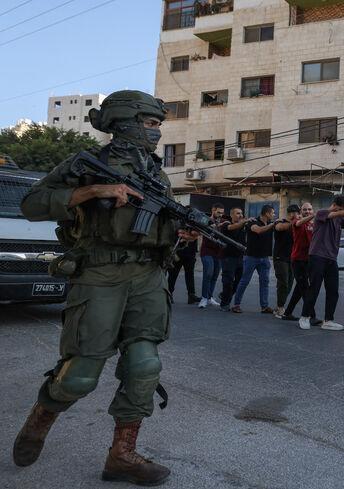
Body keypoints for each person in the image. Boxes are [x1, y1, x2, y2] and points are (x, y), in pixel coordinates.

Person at [12, 90, 197, 485]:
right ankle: (40, 418)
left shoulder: (156, 172)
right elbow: (31, 204)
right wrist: (94, 191)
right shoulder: (88, 164)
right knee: (80, 375)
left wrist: (178, 231)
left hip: (148, 275)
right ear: (126, 122)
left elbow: (154, 225)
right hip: (99, 273)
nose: (157, 132)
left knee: (144, 366)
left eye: (158, 125)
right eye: (151, 124)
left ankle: (122, 456)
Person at [299, 195, 344, 330]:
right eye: (339, 209)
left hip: (332, 259)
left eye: (342, 210)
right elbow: (339, 214)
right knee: (314, 288)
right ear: (333, 205)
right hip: (317, 256)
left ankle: (328, 320)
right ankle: (304, 317)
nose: (340, 212)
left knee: (333, 291)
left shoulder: (339, 218)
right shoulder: (322, 213)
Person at [232, 205, 277, 314]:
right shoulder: (253, 222)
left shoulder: (270, 223)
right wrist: (272, 225)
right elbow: (258, 230)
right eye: (272, 213)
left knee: (265, 282)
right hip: (251, 257)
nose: (274, 215)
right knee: (244, 281)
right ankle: (236, 305)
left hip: (264, 258)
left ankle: (264, 306)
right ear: (267, 214)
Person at [281, 203, 315, 321]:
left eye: (309, 209)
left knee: (299, 290)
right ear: (301, 212)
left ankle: (287, 313)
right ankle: (311, 316)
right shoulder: (296, 221)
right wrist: (314, 215)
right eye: (305, 209)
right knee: (305, 289)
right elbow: (299, 223)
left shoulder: (312, 225)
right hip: (298, 260)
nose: (307, 211)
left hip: (308, 260)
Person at [219, 208, 251, 312]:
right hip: (228, 258)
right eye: (238, 213)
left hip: (241, 258)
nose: (240, 215)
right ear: (231, 215)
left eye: (241, 213)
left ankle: (224, 295)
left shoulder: (244, 226)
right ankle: (225, 304)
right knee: (228, 281)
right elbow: (231, 227)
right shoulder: (226, 224)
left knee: (239, 282)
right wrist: (244, 222)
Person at [272, 204, 300, 317]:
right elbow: (280, 227)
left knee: (289, 284)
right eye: (298, 213)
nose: (299, 216)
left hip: (292, 258)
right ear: (292, 213)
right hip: (280, 258)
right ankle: (280, 308)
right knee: (283, 282)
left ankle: (280, 305)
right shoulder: (280, 222)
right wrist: (295, 223)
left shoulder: (297, 224)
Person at [197, 203, 224, 309]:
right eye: (219, 212)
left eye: (222, 213)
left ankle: (209, 297)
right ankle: (204, 298)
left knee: (215, 275)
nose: (221, 215)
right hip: (207, 251)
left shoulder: (223, 221)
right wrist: (217, 225)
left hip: (219, 252)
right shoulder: (206, 219)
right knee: (208, 273)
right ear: (213, 210)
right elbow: (202, 229)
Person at [166, 238, 199, 304]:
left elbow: (195, 237)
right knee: (173, 274)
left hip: (190, 252)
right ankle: (169, 293)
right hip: (178, 251)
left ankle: (191, 295)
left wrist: (194, 251)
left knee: (190, 274)